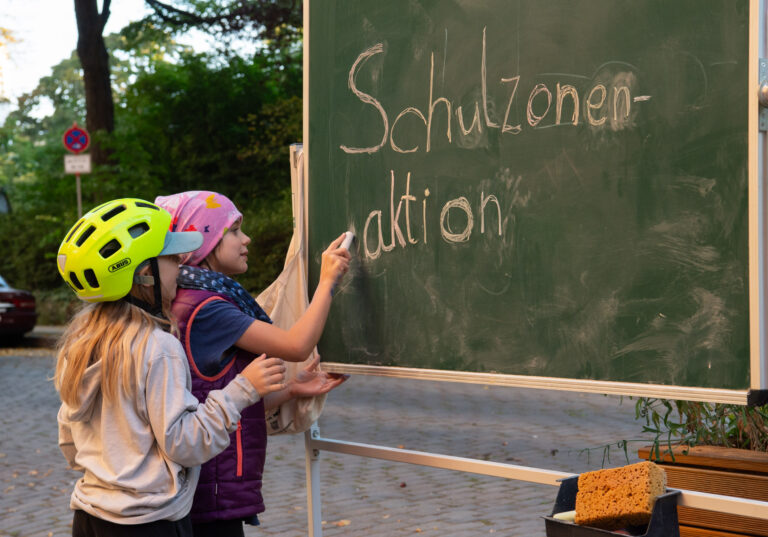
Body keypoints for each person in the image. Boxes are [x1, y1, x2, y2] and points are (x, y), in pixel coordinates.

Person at [54, 198, 288, 537]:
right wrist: (242, 390)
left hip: (90, 516)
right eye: (170, 257)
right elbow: (185, 444)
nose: (180, 263)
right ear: (145, 275)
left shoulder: (80, 344)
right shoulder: (158, 346)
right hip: (149, 523)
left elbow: (69, 440)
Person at [154, 190, 350, 537]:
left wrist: (290, 390)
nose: (246, 239)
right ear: (203, 241)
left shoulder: (187, 296)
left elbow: (213, 398)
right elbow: (297, 345)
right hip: (212, 487)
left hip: (204, 485)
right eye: (233, 230)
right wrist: (327, 282)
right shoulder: (207, 307)